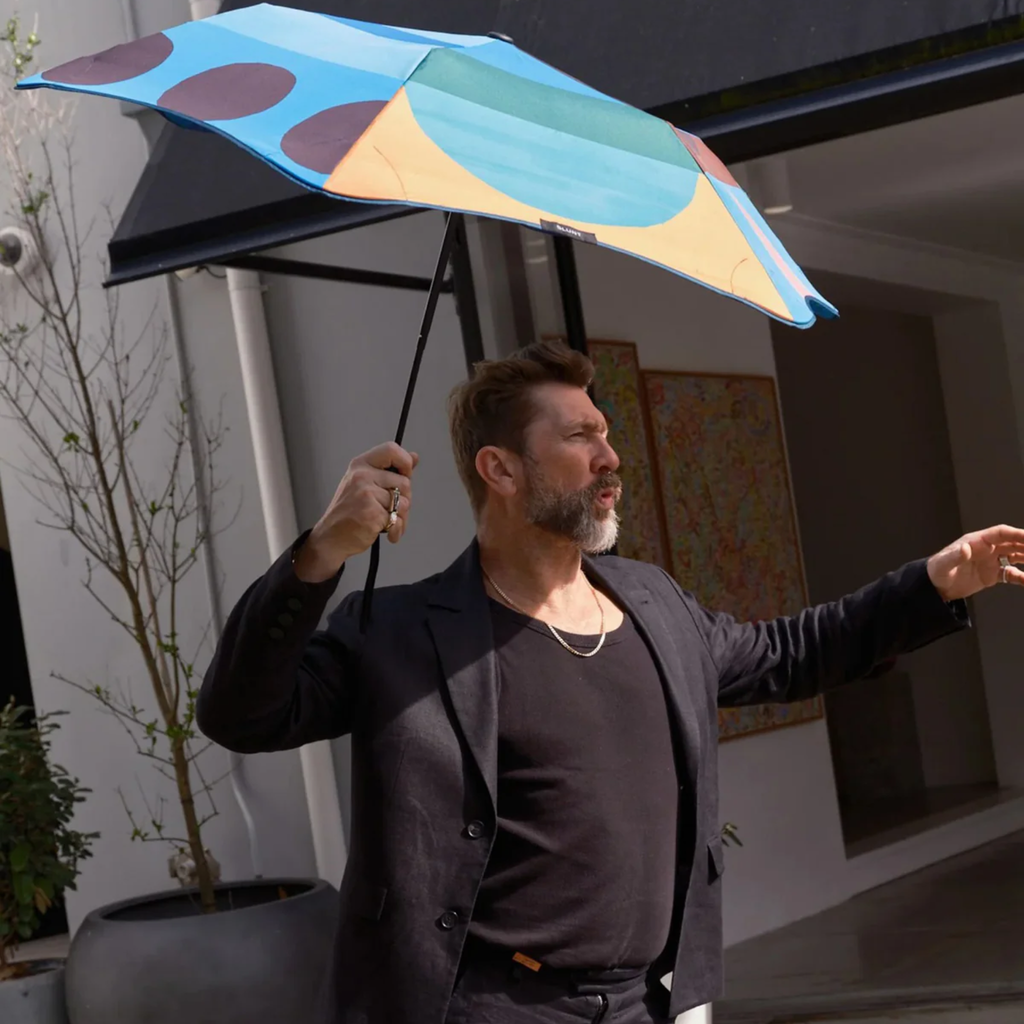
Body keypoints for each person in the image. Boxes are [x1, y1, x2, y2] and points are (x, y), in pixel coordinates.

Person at [197, 340, 1024, 1024]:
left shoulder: (652, 602)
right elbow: (243, 714)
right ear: (501, 469)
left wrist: (933, 584)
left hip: (643, 1004)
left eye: (606, 432)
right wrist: (321, 554)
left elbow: (789, 653)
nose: (610, 456)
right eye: (580, 437)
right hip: (484, 1007)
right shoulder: (402, 631)